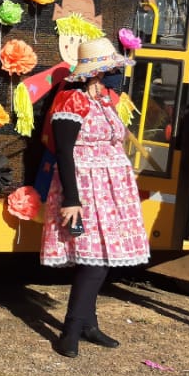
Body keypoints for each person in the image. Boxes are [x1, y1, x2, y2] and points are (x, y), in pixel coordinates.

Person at [40, 37, 150, 358]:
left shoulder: (104, 100)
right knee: (93, 261)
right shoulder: (71, 100)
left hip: (112, 188)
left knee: (103, 257)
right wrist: (71, 199)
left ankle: (88, 323)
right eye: (109, 68)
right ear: (95, 72)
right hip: (86, 186)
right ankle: (71, 329)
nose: (114, 73)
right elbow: (64, 151)